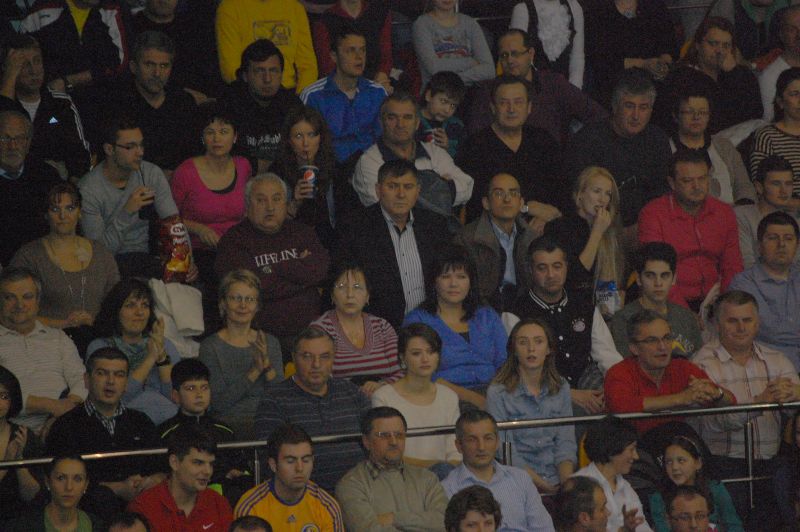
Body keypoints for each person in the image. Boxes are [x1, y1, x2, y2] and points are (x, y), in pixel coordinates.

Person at [691, 290, 800, 520]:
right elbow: (711, 423)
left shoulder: (778, 359)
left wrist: (794, 395)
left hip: (772, 465)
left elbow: (795, 414)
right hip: (722, 466)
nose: (741, 328)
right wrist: (760, 402)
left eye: (747, 320)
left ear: (757, 323)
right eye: (732, 321)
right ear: (717, 324)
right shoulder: (701, 364)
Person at [45, 347, 165, 520]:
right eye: (102, 373)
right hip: (88, 516)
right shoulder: (65, 426)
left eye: (119, 375)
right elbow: (59, 482)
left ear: (126, 383)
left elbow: (162, 467)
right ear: (86, 380)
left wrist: (153, 480)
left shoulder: (141, 421)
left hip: (143, 510)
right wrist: (117, 488)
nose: (111, 381)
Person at [510, 238, 623, 415]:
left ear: (566, 267)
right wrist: (566, 394)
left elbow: (608, 357)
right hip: (543, 390)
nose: (551, 275)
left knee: (615, 401)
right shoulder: (516, 313)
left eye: (557, 266)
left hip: (588, 381)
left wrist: (616, 389)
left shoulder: (585, 306)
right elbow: (518, 370)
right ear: (531, 270)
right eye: (542, 268)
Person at [214, 173, 329, 344]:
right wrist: (299, 273)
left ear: (286, 204)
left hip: (310, 332)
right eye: (261, 200)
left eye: (276, 199)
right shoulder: (233, 241)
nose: (270, 207)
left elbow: (320, 271)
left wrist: (271, 270)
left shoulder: (302, 232)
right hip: (258, 336)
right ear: (247, 206)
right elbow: (247, 290)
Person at [336, 159, 451, 328]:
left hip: (431, 325)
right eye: (392, 186)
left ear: (418, 191)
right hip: (377, 327)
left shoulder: (435, 225)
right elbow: (345, 284)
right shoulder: (355, 228)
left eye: (408, 187)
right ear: (378, 190)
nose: (401, 194)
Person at [253, 327, 371, 493]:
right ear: (293, 358)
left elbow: (374, 445)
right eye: (307, 356)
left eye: (324, 356)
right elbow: (270, 461)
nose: (316, 364)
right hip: (303, 497)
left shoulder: (352, 392)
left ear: (333, 358)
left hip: (361, 492)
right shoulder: (274, 400)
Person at [10, 183, 119, 346]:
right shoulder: (28, 256)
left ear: (80, 212)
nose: (63, 215)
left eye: (70, 208)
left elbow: (117, 304)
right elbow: (12, 311)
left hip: (99, 340)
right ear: (46, 214)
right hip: (45, 342)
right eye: (55, 209)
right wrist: (63, 324)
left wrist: (95, 322)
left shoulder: (101, 253)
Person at [565, 68, 671, 237]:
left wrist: (644, 226)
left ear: (651, 111)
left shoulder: (658, 140)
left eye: (643, 108)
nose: (636, 115)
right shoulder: (588, 141)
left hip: (647, 228)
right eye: (629, 106)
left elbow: (662, 193)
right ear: (614, 107)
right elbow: (578, 197)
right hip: (597, 229)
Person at [638, 149, 743, 311]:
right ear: (672, 183)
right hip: (668, 302)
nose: (697, 186)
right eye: (687, 181)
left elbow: (733, 266)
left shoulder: (724, 212)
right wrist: (684, 314)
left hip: (716, 300)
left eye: (702, 178)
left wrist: (727, 305)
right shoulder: (653, 214)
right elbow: (656, 275)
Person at [403, 245, 507, 408]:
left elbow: (506, 363)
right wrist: (473, 398)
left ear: (470, 281)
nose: (453, 284)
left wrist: (496, 395)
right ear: (434, 281)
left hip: (495, 394)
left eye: (461, 277)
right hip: (442, 398)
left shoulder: (487, 315)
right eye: (445, 277)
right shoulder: (418, 320)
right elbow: (421, 373)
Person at [78, 114, 179, 280]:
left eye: (141, 145)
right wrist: (127, 212)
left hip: (149, 257)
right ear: (109, 149)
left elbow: (173, 223)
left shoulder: (151, 173)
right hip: (110, 265)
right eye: (130, 147)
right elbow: (99, 253)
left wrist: (185, 258)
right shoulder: (88, 190)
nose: (140, 152)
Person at [465, 29, 607, 146]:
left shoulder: (553, 84)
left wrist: (578, 148)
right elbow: (476, 135)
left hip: (550, 161)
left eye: (515, 54)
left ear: (531, 54)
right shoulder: (488, 90)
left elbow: (597, 115)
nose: (510, 60)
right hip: (501, 161)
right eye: (504, 55)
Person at [604, 309, 734, 435]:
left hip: (675, 444)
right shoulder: (619, 372)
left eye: (666, 338)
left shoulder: (682, 367)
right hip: (633, 446)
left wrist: (717, 393)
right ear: (634, 348)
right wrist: (680, 398)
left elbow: (731, 400)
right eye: (652, 340)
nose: (662, 346)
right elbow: (621, 406)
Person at [456, 75, 564, 224]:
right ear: (493, 108)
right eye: (504, 103)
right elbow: (475, 204)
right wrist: (526, 208)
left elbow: (562, 189)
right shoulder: (474, 147)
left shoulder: (543, 140)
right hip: (494, 228)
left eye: (518, 102)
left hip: (547, 224)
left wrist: (544, 218)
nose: (511, 109)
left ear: (529, 107)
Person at [486, 318, 576, 495]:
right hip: (516, 482)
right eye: (523, 342)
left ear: (549, 349)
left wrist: (566, 486)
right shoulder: (497, 392)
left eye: (538, 341)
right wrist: (544, 486)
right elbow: (506, 453)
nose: (531, 349)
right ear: (514, 350)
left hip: (558, 479)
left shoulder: (561, 387)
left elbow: (565, 444)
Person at [351, 92, 473, 215]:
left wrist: (409, 196)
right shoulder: (369, 162)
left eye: (407, 117)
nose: (400, 124)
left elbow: (467, 186)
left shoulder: (435, 152)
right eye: (392, 117)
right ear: (382, 123)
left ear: (417, 123)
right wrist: (440, 185)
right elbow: (389, 209)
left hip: (440, 225)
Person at [171, 103, 251, 287]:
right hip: (199, 251)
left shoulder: (243, 166)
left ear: (235, 136)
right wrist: (200, 229)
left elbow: (250, 210)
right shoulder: (185, 172)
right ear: (202, 137)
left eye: (224, 132)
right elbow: (169, 219)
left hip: (238, 246)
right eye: (210, 132)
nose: (217, 138)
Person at [0, 267, 87, 433]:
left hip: (62, 425)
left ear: (38, 301)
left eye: (27, 297)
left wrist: (63, 413)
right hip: (8, 430)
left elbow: (81, 379)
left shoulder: (59, 337)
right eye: (10, 297)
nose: (19, 305)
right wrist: (49, 405)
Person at [198, 269, 283, 438]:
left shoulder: (270, 342)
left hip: (269, 421)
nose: (243, 305)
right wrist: (255, 371)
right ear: (223, 303)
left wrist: (267, 366)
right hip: (227, 426)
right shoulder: (210, 347)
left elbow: (281, 397)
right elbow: (217, 404)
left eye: (250, 299)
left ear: (257, 306)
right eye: (236, 298)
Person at [335, 406, 448, 531]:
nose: (393, 441)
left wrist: (395, 518)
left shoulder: (427, 478)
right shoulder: (351, 485)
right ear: (366, 441)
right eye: (384, 435)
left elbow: (445, 522)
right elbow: (368, 529)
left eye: (399, 435)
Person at [442, 409, 555, 531]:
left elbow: (544, 529)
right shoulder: (447, 489)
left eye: (488, 438)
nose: (481, 447)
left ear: (497, 442)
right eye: (472, 440)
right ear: (459, 445)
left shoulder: (521, 479)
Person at [88, 278, 180, 425]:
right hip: (122, 424)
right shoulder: (100, 348)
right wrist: (151, 358)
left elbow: (176, 397)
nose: (140, 312)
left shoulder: (165, 345)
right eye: (130, 305)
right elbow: (119, 397)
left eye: (145, 305)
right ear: (115, 310)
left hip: (169, 424)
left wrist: (162, 357)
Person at [0, 33, 90, 180]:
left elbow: (79, 154)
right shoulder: (6, 103)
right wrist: (9, 77)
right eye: (24, 64)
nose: (33, 71)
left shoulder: (60, 103)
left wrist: (72, 184)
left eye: (37, 61)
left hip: (55, 183)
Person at [372, 323, 461, 471]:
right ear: (402, 358)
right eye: (416, 353)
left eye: (431, 352)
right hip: (400, 475)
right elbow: (386, 452)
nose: (425, 359)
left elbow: (456, 451)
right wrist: (433, 468)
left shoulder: (449, 396)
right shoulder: (383, 397)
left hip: (446, 475)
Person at [654, 17, 762, 135]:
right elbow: (716, 121)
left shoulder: (741, 74)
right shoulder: (681, 78)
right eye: (713, 43)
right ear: (698, 45)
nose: (719, 51)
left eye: (726, 45)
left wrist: (734, 74)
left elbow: (756, 114)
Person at [110, 30, 197, 174]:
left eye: (164, 66)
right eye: (149, 65)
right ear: (133, 67)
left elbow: (196, 155)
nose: (157, 73)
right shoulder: (118, 105)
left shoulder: (184, 103)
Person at [311, 263, 402, 395]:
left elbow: (402, 371)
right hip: (340, 400)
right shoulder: (320, 329)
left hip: (385, 397)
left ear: (367, 296)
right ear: (332, 295)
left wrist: (382, 386)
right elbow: (318, 377)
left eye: (357, 287)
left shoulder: (382, 326)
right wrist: (359, 392)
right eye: (342, 287)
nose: (350, 294)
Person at [233, 423, 344, 530]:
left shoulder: (327, 506)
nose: (299, 468)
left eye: (306, 460)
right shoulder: (250, 507)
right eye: (290, 461)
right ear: (273, 465)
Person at [543, 166, 625, 311]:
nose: (602, 199)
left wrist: (610, 306)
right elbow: (575, 276)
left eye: (608, 194)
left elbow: (608, 291)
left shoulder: (609, 232)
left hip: (597, 312)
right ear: (580, 194)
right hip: (566, 307)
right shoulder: (558, 228)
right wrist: (597, 233)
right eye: (596, 191)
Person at [300, 26, 386, 164]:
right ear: (334, 56)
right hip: (330, 168)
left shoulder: (378, 92)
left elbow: (386, 139)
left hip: (372, 166)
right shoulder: (313, 96)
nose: (359, 57)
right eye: (351, 50)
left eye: (362, 50)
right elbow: (305, 145)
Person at [455, 172, 536, 312]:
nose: (507, 199)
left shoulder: (532, 238)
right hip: (482, 312)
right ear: (486, 203)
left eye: (513, 193)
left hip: (526, 309)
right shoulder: (467, 239)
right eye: (499, 193)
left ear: (521, 203)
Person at [157, 359, 244, 489]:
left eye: (204, 387)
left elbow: (241, 467)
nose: (199, 394)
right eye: (191, 388)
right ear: (175, 395)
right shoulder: (165, 433)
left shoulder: (225, 431)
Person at [219, 39, 303, 173]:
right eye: (259, 71)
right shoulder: (228, 103)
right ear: (245, 76)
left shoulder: (292, 104)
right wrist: (255, 165)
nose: (267, 79)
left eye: (273, 71)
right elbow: (221, 152)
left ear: (281, 74)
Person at [730, 211, 800, 371]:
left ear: (797, 245)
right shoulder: (743, 284)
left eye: (788, 239)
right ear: (759, 246)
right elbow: (770, 332)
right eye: (773, 238)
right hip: (764, 368)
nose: (781, 244)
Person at [129, 424, 232, 531]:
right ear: (174, 462)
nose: (208, 471)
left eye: (211, 464)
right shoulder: (143, 508)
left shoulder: (219, 504)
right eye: (198, 463)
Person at [610, 242, 703, 358]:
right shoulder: (623, 320)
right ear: (638, 279)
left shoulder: (687, 318)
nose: (658, 283)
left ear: (674, 278)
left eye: (665, 275)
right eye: (650, 275)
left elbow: (699, 361)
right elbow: (625, 365)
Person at [668, 90, 755, 206]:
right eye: (689, 112)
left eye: (702, 112)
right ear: (676, 116)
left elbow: (744, 186)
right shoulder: (665, 149)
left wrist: (741, 209)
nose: (696, 117)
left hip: (733, 213)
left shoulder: (724, 146)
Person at [583, 0, 674, 109]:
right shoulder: (595, 10)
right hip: (613, 83)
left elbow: (669, 45)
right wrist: (643, 64)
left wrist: (662, 64)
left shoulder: (655, 5)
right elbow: (599, 58)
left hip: (655, 82)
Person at [0, 109, 62, 266]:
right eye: (5, 138)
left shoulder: (47, 176)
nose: (12, 146)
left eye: (20, 138)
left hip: (44, 263)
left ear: (28, 144)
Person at [270, 106, 337, 248]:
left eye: (311, 135)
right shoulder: (277, 172)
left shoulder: (334, 169)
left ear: (321, 138)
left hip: (329, 244)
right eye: (298, 136)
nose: (305, 143)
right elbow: (271, 225)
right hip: (289, 244)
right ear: (289, 140)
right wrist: (295, 203)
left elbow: (345, 220)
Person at [129, 0, 222, 101]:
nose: (164, 1)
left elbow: (210, 71)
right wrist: (181, 94)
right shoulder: (130, 28)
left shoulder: (194, 28)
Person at [216, 0, 317, 92]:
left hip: (289, 93)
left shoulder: (295, 7)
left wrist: (300, 98)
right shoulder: (230, 7)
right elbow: (231, 69)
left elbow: (308, 66)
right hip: (248, 94)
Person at [572, 416, 652, 532]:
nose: (636, 456)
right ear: (612, 449)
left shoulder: (626, 487)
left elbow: (642, 527)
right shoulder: (578, 486)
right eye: (631, 449)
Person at [647, 435, 743, 532]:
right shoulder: (658, 497)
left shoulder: (715, 488)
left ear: (698, 463)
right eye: (669, 462)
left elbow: (734, 526)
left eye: (681, 460)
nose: (675, 467)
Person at [5, 454, 102, 532]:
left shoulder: (96, 526)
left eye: (77, 479)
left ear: (86, 485)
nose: (69, 487)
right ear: (48, 482)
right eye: (61, 478)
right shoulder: (23, 526)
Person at [312, 0, 393, 92]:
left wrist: (382, 76)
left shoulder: (380, 12)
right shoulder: (324, 21)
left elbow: (386, 55)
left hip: (375, 83)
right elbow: (327, 67)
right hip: (342, 87)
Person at [411, 0, 494, 89]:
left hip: (469, 91)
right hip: (436, 91)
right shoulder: (422, 24)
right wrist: (470, 62)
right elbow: (433, 67)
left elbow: (489, 70)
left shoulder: (470, 23)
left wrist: (455, 80)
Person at [736, 155, 800, 269]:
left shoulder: (796, 221)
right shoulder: (741, 216)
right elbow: (746, 265)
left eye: (788, 184)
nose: (784, 191)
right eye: (776, 184)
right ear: (759, 187)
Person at [750, 67, 800, 205]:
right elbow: (762, 188)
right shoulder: (767, 136)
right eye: (795, 94)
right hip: (783, 209)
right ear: (780, 101)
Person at [509, 0, 585, 88]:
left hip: (567, 89)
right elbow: (518, 62)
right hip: (532, 88)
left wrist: (573, 91)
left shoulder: (574, 7)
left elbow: (577, 57)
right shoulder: (522, 10)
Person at [0, 365, 41, 523]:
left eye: (4, 396)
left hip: (17, 519)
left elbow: (33, 496)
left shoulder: (23, 435)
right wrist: (7, 462)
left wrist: (18, 460)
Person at [760, 6, 800, 122]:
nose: (799, 35)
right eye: (792, 29)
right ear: (782, 34)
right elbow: (770, 123)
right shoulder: (770, 77)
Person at [417, 71, 466, 159]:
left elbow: (463, 159)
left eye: (453, 105)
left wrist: (448, 149)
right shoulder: (410, 120)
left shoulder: (456, 126)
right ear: (428, 95)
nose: (447, 110)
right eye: (443, 101)